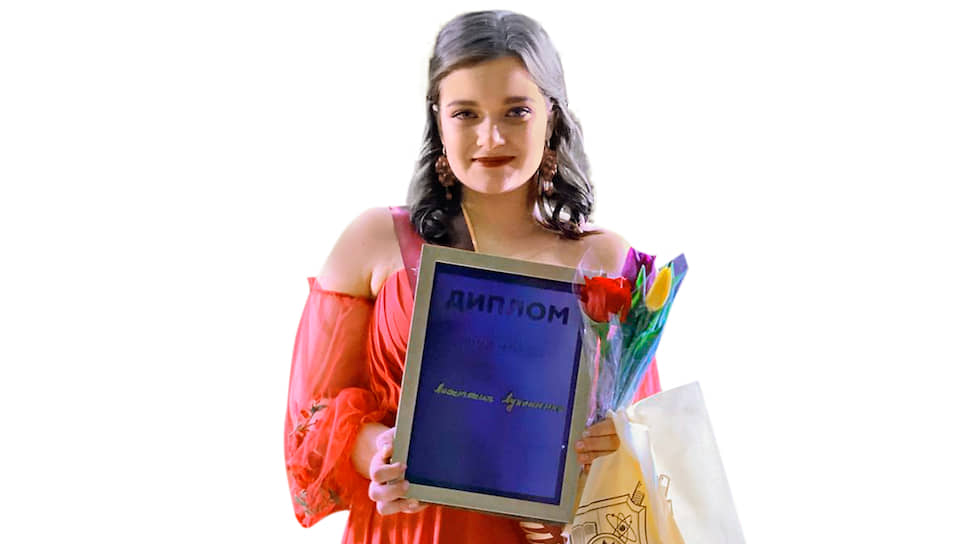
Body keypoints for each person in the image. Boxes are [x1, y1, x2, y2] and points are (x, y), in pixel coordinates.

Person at [284, 10, 661, 543]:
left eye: (516, 111)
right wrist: (376, 452)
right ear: (438, 120)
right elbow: (309, 420)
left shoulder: (606, 261)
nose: (491, 136)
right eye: (466, 113)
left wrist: (611, 455)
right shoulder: (373, 241)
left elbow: (650, 445)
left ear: (551, 117)